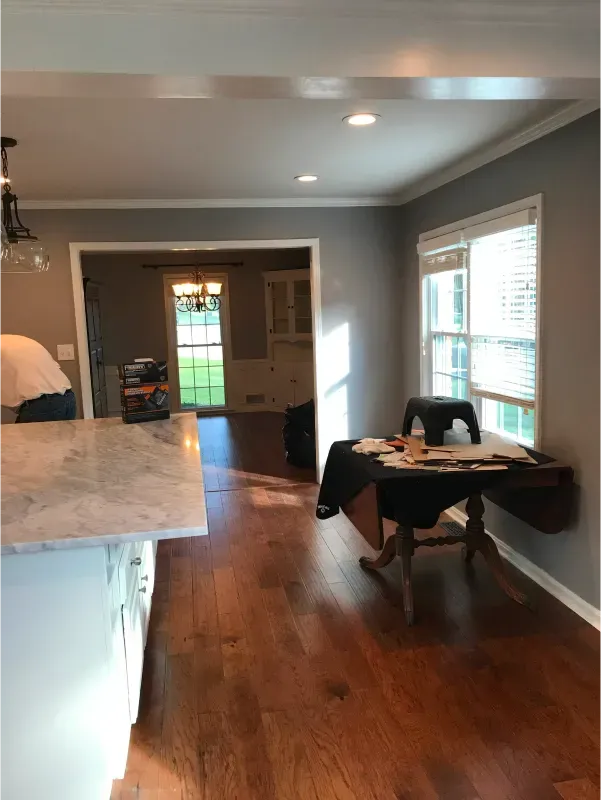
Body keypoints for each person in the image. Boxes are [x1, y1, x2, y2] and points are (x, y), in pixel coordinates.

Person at [0, 334, 76, 423]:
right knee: (62, 437)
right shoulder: (14, 341)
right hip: (67, 398)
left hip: (42, 406)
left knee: (24, 437)